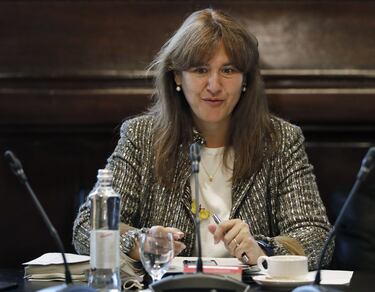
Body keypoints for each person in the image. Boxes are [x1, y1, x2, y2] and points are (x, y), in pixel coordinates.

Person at [73, 8, 333, 270]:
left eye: (228, 70)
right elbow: (88, 227)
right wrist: (142, 243)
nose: (214, 85)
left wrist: (262, 249)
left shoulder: (280, 141)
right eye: (200, 70)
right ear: (177, 76)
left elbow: (317, 239)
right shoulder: (141, 137)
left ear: (245, 80)